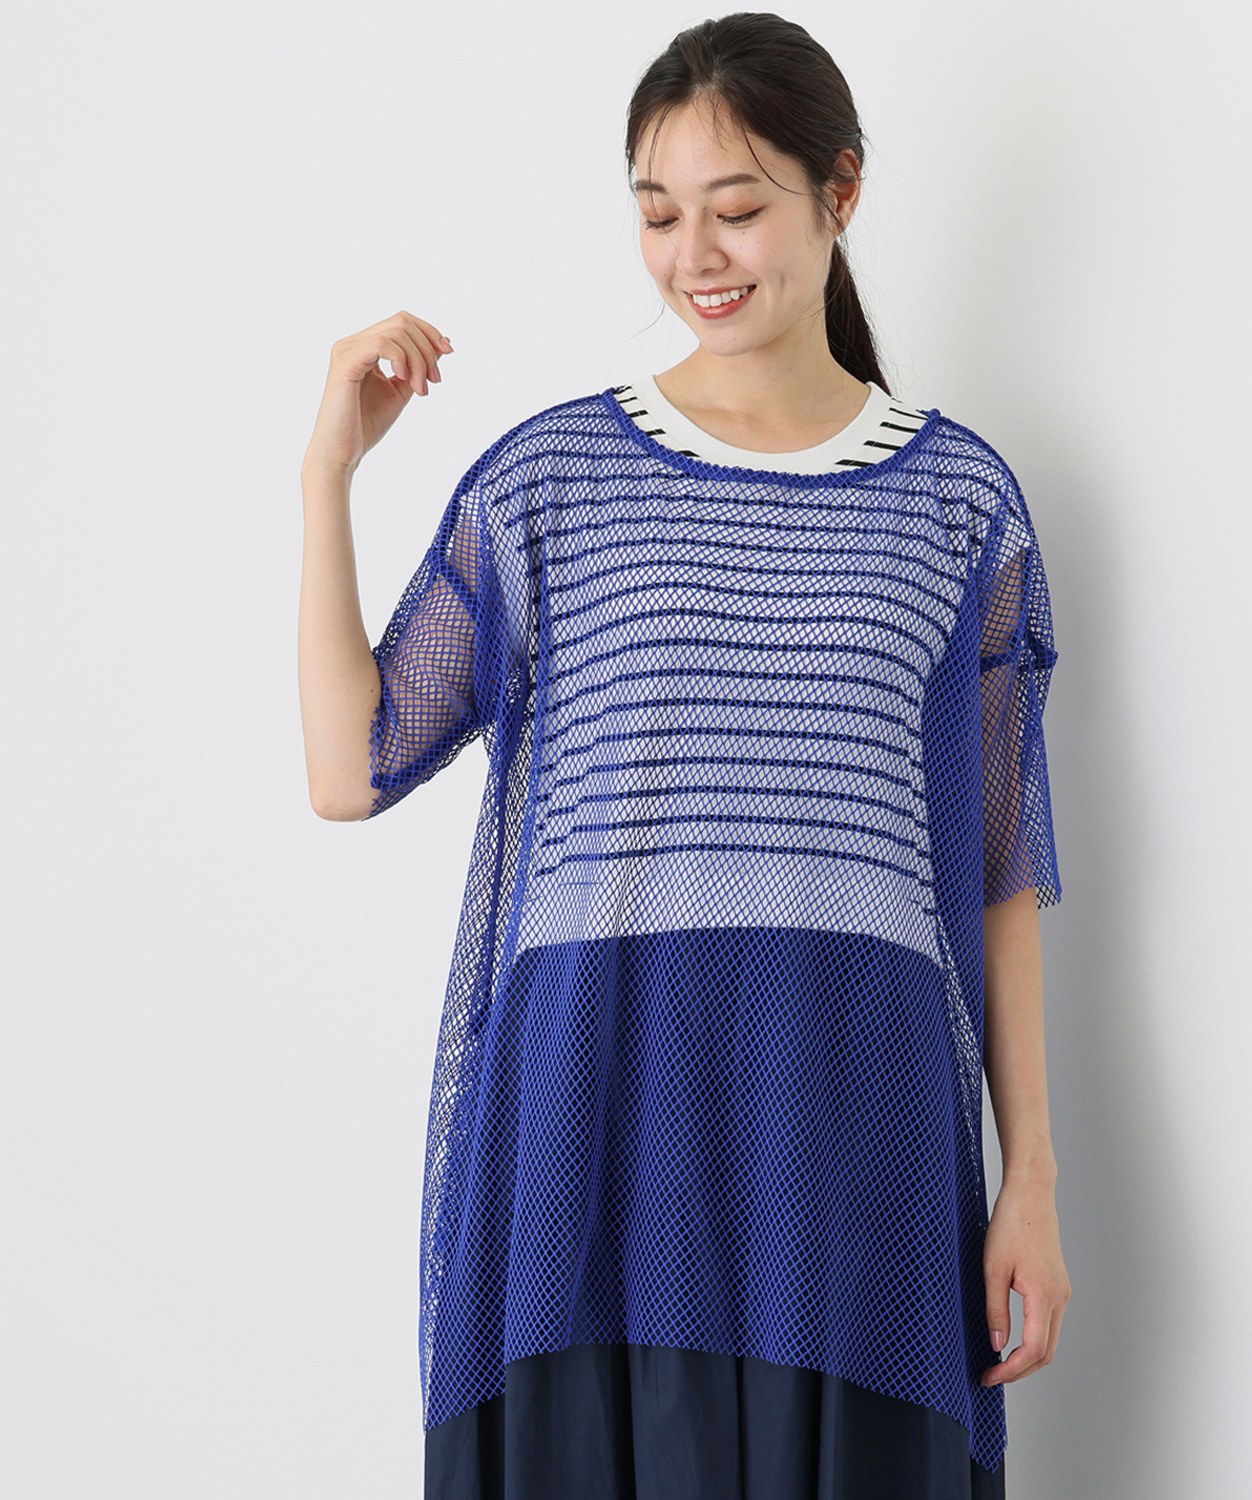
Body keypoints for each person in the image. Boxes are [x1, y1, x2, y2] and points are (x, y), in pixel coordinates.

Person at [298, 13, 1071, 1498]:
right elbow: (353, 765)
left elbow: (994, 868)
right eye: (659, 214)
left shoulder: (958, 504)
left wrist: (1028, 1175)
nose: (695, 255)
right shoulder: (553, 481)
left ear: (840, 194)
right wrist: (329, 469)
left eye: (737, 208)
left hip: (850, 1126)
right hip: (597, 1119)